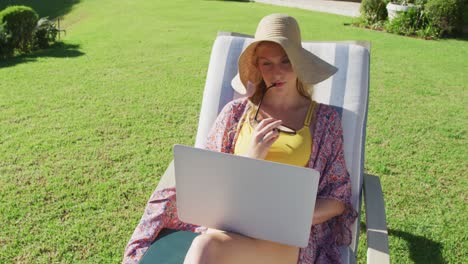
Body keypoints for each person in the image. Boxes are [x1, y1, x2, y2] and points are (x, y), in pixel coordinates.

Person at [123, 13, 357, 264]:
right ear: (257, 67)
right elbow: (207, 182)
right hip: (230, 226)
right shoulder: (235, 114)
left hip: (282, 238)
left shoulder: (324, 121)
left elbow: (338, 198)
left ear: (298, 63)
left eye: (285, 61)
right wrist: (250, 158)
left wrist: (293, 217)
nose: (276, 72)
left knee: (206, 249)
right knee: (208, 245)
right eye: (266, 63)